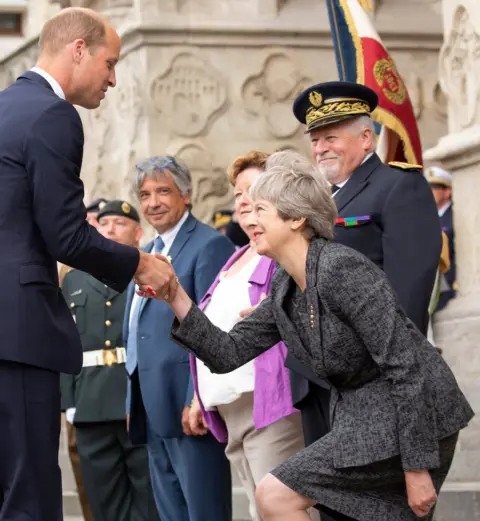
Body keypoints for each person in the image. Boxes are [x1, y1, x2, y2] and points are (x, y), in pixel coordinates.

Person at [144, 150, 474, 521]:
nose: (248, 220)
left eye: (260, 210)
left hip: (413, 417)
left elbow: (406, 366)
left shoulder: (341, 268)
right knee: (279, 496)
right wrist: (174, 293)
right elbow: (227, 351)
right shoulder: (287, 282)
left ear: (297, 218)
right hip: (363, 417)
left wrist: (416, 468)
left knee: (275, 495)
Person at [0, 8, 171, 521]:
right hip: (20, 333)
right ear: (78, 49)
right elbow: (68, 234)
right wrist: (140, 263)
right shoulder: (53, 116)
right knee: (28, 494)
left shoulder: (5, 107)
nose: (114, 79)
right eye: (109, 63)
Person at [289, 82, 444, 478]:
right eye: (316, 139)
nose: (321, 147)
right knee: (331, 505)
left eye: (331, 137)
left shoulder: (398, 186)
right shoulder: (314, 199)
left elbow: (407, 293)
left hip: (368, 377)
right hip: (315, 375)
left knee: (376, 497)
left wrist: (381, 373)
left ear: (365, 137)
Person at [190, 151, 304, 521]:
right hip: (230, 407)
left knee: (281, 507)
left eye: (251, 189)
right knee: (260, 511)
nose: (242, 200)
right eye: (237, 193)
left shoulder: (280, 252)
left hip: (269, 403)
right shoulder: (237, 255)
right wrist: (197, 394)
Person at [124, 155, 235, 521]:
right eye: (145, 194)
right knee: (171, 511)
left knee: (204, 510)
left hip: (189, 405)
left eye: (162, 192)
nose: (152, 203)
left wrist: (197, 398)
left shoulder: (208, 246)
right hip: (153, 403)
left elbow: (212, 327)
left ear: (186, 196)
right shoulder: (148, 253)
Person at [60, 200, 160, 521]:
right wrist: (69, 400)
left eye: (120, 223)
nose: (110, 229)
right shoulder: (73, 280)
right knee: (104, 501)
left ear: (138, 233)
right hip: (90, 402)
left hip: (136, 400)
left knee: (147, 497)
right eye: (104, 225)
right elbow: (65, 341)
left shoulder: (149, 271)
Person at [424, 166, 456, 312]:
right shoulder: (427, 216)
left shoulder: (456, 214)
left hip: (452, 284)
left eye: (434, 188)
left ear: (447, 192)